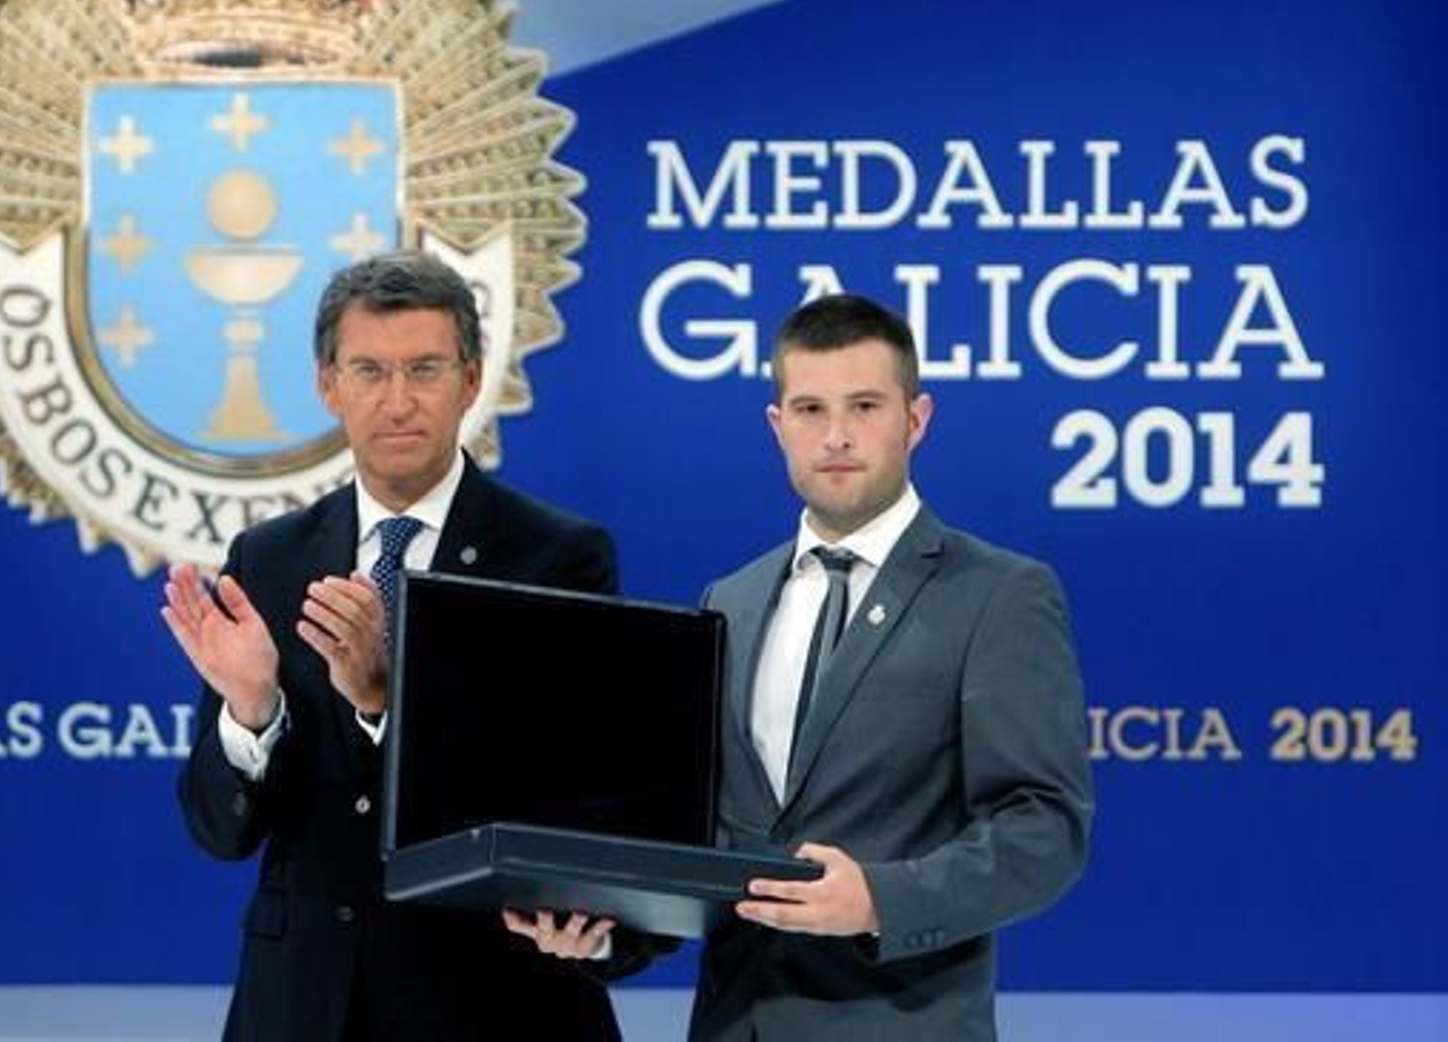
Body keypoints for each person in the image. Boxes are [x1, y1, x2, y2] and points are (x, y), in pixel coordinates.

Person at [512, 293, 1093, 1040]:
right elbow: (701, 841)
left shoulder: (998, 594)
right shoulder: (730, 599)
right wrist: (606, 929)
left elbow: (1043, 828)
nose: (837, 435)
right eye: (811, 409)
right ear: (777, 425)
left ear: (916, 420)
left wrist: (879, 899)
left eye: (865, 407)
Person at [162, 251, 627, 1041]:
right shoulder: (268, 560)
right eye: (369, 371)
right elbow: (220, 831)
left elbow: (566, 794)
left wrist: (384, 699)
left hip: (491, 1001)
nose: (398, 400)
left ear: (470, 380)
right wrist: (250, 715)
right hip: (304, 1004)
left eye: (425, 369)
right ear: (328, 385)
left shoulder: (557, 558)